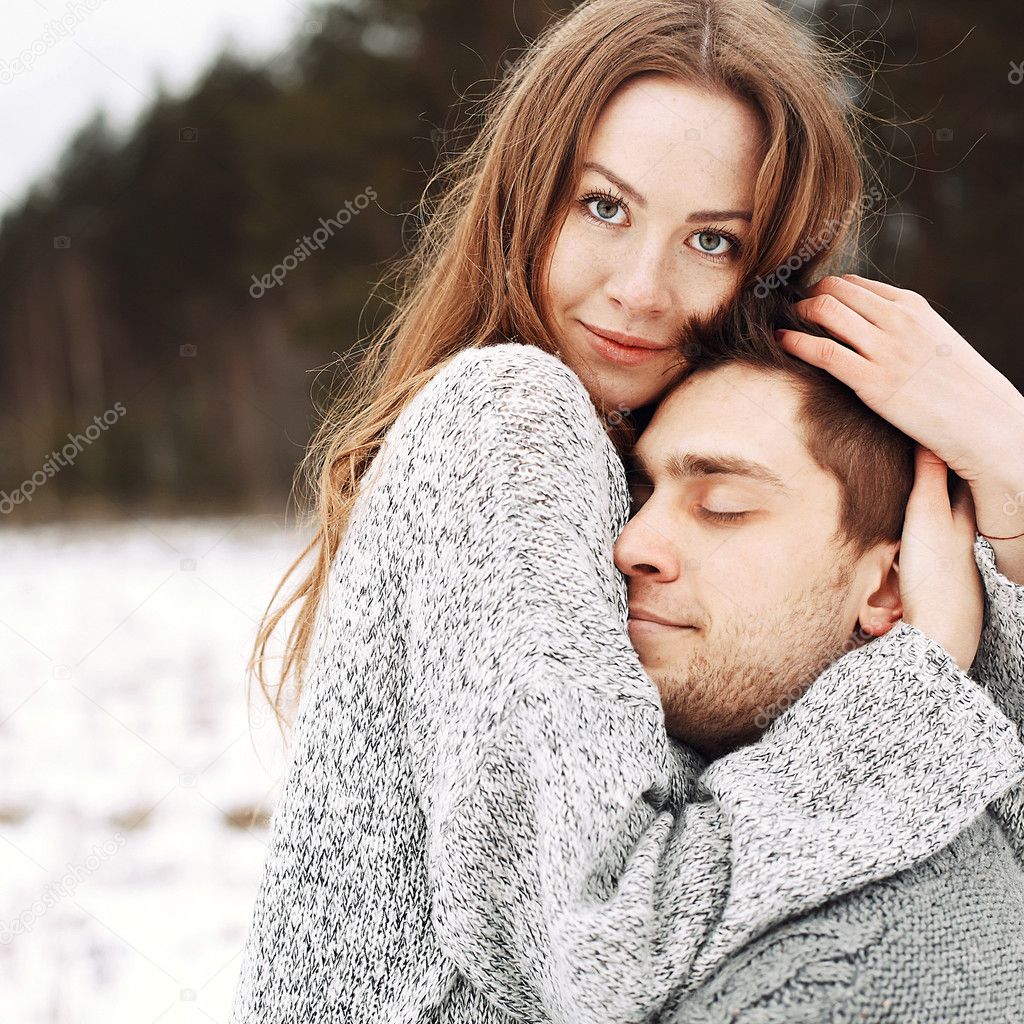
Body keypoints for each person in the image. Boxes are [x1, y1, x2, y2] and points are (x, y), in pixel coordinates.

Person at [230, 1, 1024, 1021]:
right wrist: (918, 688)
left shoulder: (690, 479)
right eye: (603, 207)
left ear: (767, 264)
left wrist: (1006, 467)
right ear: (527, 200)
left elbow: (977, 832)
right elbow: (601, 947)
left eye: (710, 237)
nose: (642, 290)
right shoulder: (508, 420)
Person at [616, 311, 1024, 1020]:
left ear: (889, 589)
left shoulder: (824, 987)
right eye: (640, 495)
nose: (631, 545)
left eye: (722, 505)